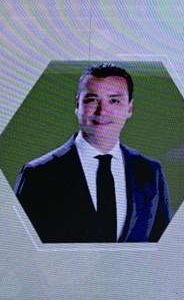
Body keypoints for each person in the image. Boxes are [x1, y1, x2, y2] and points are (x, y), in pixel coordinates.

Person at [14, 63, 172, 243]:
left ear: (129, 108)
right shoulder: (38, 174)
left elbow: (163, 248)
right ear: (77, 105)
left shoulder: (151, 172)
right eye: (92, 100)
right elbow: (18, 247)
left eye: (114, 101)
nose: (102, 111)